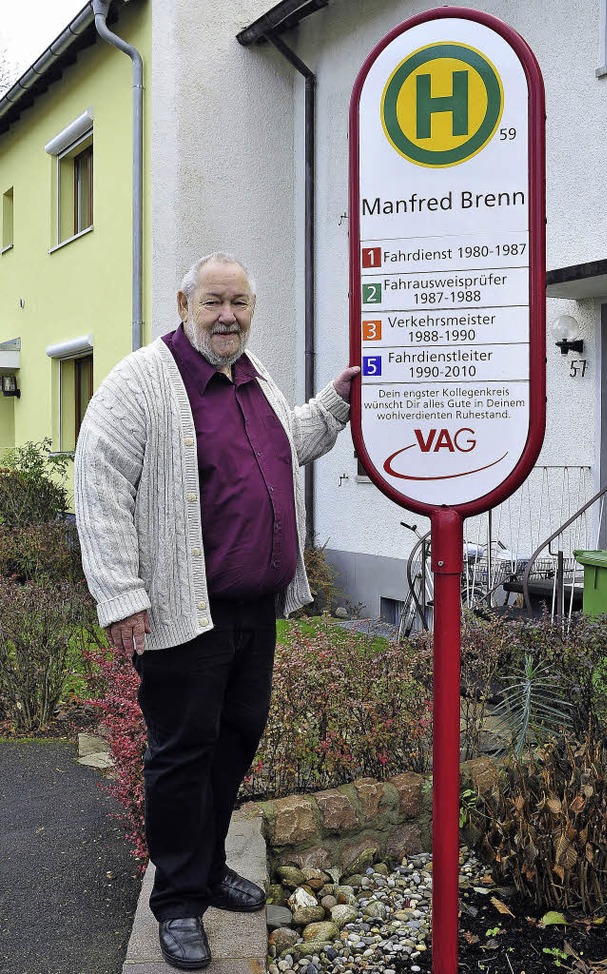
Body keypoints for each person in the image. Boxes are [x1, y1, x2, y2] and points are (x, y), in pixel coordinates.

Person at [74, 252, 359, 971]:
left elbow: (281, 445)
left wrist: (334, 405)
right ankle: (175, 902)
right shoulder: (141, 382)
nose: (227, 316)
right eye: (213, 303)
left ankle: (203, 868)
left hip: (251, 610)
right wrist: (122, 596)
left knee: (235, 741)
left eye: (238, 303)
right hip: (180, 614)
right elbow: (98, 485)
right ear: (184, 303)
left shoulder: (252, 376)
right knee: (181, 756)